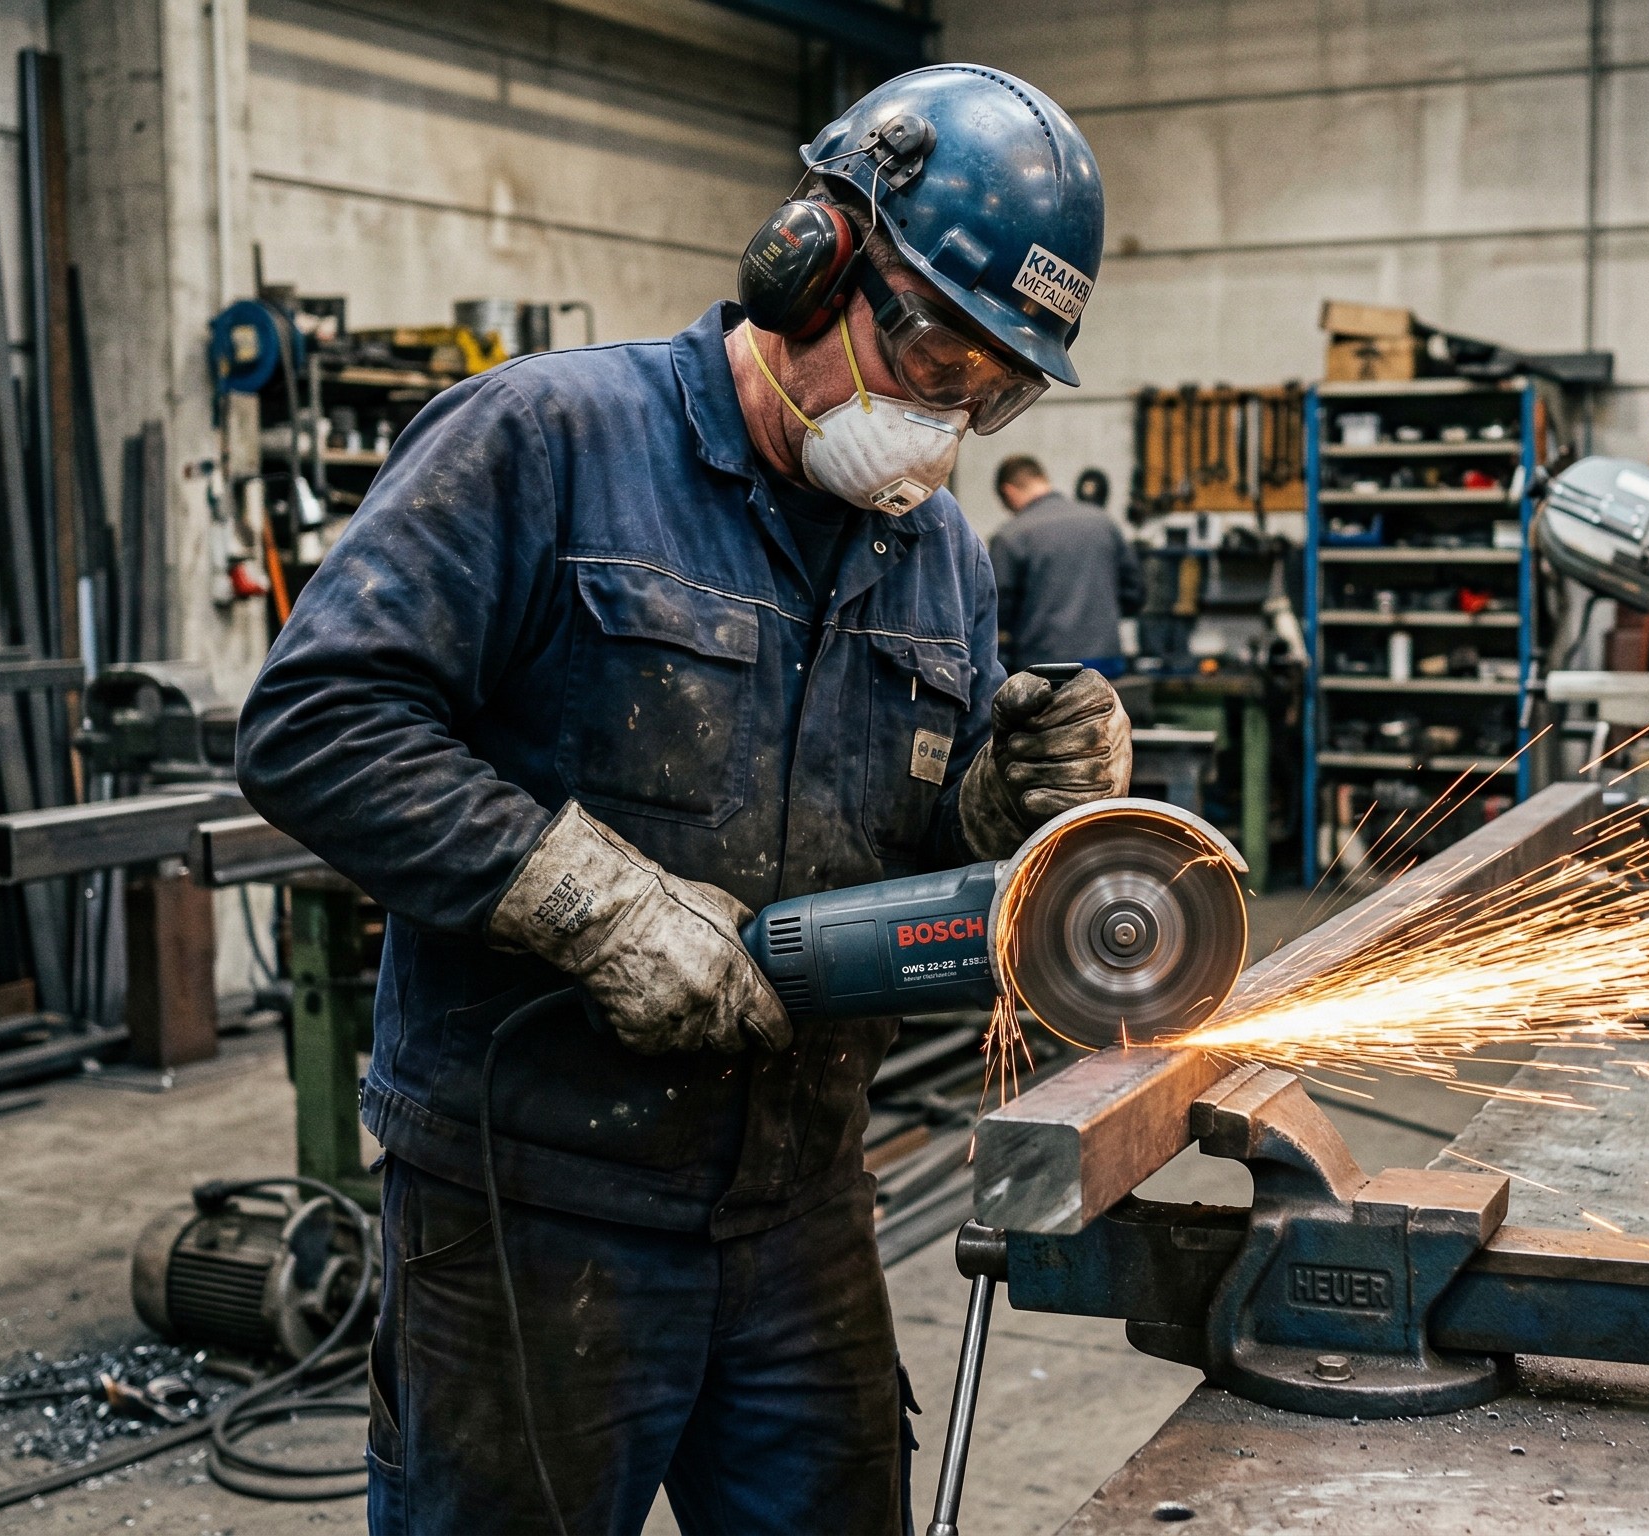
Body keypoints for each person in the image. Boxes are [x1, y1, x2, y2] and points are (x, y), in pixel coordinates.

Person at [234, 65, 1124, 1536]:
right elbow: (315, 721)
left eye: (994, 384)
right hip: (534, 1212)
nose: (941, 414)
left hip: (798, 1208)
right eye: (930, 351)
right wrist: (582, 900)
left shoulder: (938, 554)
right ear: (809, 260)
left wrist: (996, 810)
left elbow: (902, 842)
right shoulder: (545, 441)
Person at [989, 455, 1142, 675]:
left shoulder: (1010, 536)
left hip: (1043, 667)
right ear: (1042, 479)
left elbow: (997, 612)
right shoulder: (1103, 523)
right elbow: (1135, 594)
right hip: (1106, 662)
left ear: (1008, 491)